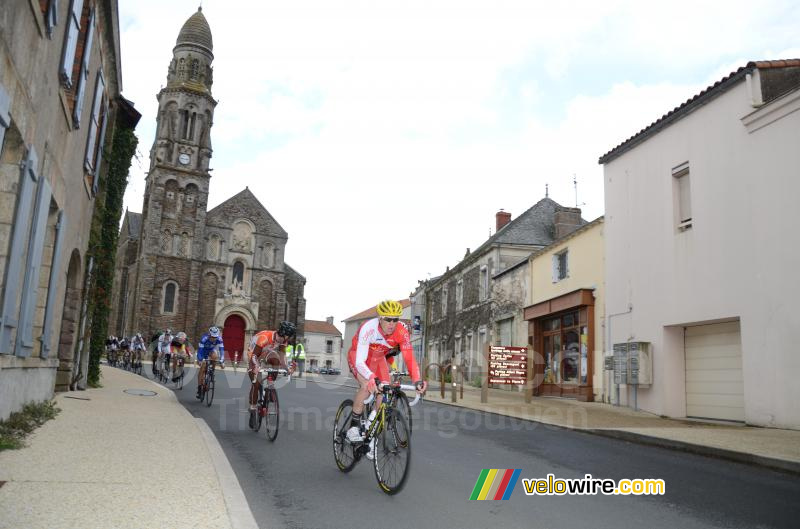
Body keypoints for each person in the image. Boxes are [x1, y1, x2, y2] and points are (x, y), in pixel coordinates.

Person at [346, 300, 426, 449]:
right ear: (380, 318)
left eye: (395, 319)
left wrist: (417, 380)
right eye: (388, 319)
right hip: (359, 357)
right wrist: (371, 377)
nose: (392, 323)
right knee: (366, 386)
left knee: (384, 393)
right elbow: (360, 362)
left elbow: (409, 358)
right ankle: (353, 427)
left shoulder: (401, 331)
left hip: (378, 359)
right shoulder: (368, 328)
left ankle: (370, 432)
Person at [246, 321, 296, 427]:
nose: (290, 339)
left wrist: (288, 369)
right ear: (283, 334)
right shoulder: (265, 337)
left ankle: (270, 387)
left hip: (266, 353)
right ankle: (253, 408)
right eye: (289, 336)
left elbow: (282, 359)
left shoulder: (283, 341)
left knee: (276, 359)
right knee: (256, 382)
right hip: (254, 354)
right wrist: (256, 367)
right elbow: (254, 356)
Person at [196, 326, 225, 398]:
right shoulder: (204, 339)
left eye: (215, 337)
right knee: (203, 367)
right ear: (209, 334)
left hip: (211, 351)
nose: (214, 338)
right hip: (203, 352)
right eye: (212, 337)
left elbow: (221, 350)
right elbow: (200, 351)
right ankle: (199, 388)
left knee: (215, 356)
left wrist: (222, 361)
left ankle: (212, 371)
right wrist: (200, 359)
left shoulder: (219, 339)